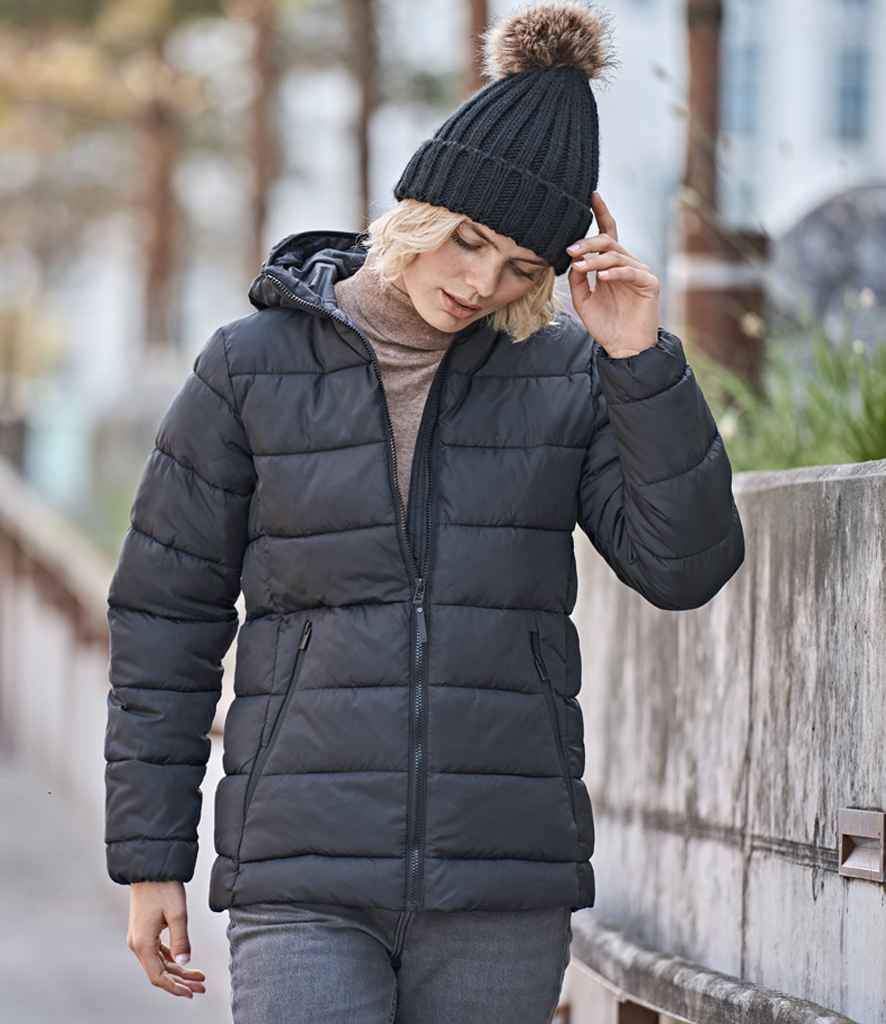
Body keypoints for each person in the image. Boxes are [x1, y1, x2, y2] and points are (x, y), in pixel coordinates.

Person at [103, 2, 745, 1021]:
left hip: (501, 877)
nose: (479, 282)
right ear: (418, 207)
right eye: (468, 241)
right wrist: (150, 859)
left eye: (521, 268)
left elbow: (684, 567)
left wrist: (636, 358)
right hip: (299, 870)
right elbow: (163, 619)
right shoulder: (249, 367)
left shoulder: (566, 373)